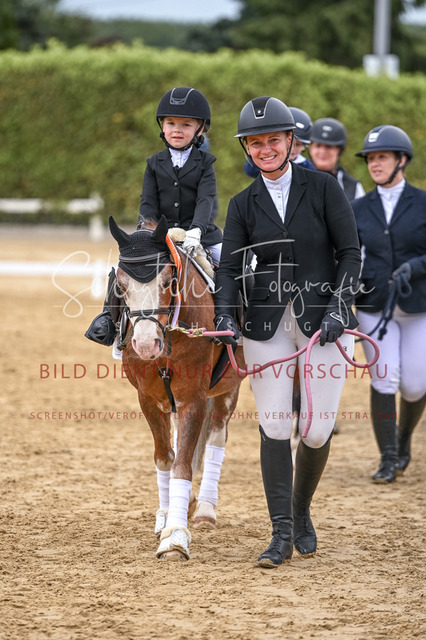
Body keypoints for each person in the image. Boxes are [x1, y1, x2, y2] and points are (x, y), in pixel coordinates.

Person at [214, 96, 361, 567]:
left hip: (325, 321)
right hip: (266, 324)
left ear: (291, 141)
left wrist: (340, 307)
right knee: (276, 425)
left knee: (316, 432)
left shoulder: (323, 188)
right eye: (255, 143)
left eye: (273, 140)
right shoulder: (242, 203)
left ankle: (300, 512)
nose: (265, 149)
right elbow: (229, 269)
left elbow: (350, 253)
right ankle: (280, 533)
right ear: (247, 149)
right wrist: (224, 315)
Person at [85, 86, 222, 347]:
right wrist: (146, 232)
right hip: (160, 236)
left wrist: (196, 231)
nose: (177, 130)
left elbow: (206, 200)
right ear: (163, 126)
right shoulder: (153, 163)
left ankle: (232, 321)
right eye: (171, 123)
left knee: (232, 267)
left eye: (186, 124)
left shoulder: (206, 163)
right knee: (123, 269)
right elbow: (147, 202)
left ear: (200, 129)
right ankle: (109, 323)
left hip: (199, 235)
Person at [352, 125, 426, 484]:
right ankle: (388, 457)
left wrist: (416, 266)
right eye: (370, 159)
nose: (374, 164)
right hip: (373, 306)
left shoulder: (423, 202)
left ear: (402, 160)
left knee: (415, 385)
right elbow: (348, 254)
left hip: (417, 305)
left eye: (382, 157)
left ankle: (403, 438)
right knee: (384, 378)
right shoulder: (357, 208)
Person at [244, 106, 316, 178]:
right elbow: (250, 169)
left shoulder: (309, 167)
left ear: (304, 146)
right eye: (289, 143)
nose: (292, 148)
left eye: (297, 145)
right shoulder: (265, 162)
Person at [309, 117, 365, 200]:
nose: (322, 151)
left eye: (328, 146)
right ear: (310, 148)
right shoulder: (296, 177)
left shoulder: (352, 186)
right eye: (318, 146)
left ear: (339, 150)